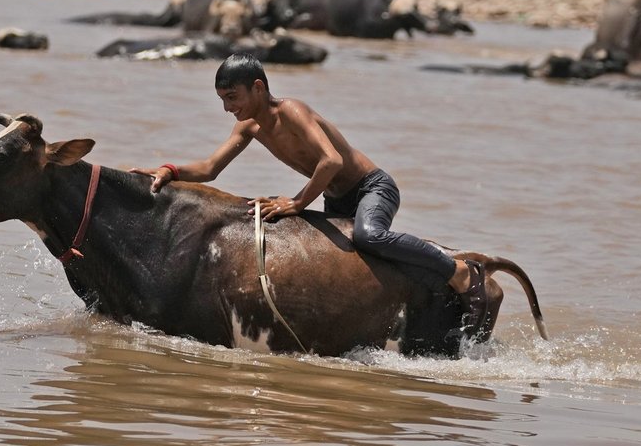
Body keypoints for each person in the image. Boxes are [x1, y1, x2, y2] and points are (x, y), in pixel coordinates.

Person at [130, 53, 489, 331]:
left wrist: (297, 203)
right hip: (335, 199)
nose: (228, 108)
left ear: (258, 87)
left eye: (232, 96)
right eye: (222, 99)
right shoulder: (249, 126)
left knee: (370, 235)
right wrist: (170, 170)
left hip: (371, 187)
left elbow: (330, 161)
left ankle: (459, 271)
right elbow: (209, 168)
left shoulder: (292, 111)